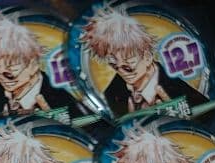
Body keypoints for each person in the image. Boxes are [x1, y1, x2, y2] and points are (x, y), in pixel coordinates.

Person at [79, 5, 207, 116]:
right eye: (114, 65)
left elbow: (206, 113)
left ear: (147, 56)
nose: (122, 71)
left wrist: (183, 117)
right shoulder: (111, 93)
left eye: (128, 65)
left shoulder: (181, 89)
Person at [0, 11, 80, 119]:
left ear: (33, 64)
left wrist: (61, 125)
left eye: (10, 68)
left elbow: (82, 123)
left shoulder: (63, 99)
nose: (2, 76)